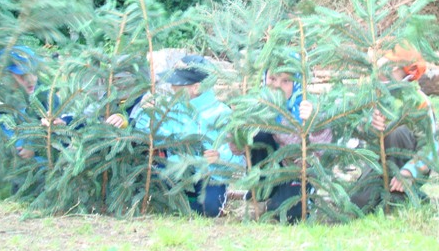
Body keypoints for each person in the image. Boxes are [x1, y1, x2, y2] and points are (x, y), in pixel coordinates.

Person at [133, 54, 243, 217]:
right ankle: (179, 203)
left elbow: (237, 157)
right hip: (175, 171)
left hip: (210, 176)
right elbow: (147, 133)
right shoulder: (171, 109)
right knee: (157, 187)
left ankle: (194, 204)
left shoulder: (221, 114)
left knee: (210, 208)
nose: (172, 87)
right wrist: (146, 112)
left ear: (196, 88)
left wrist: (220, 157)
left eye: (177, 84)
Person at [233, 63, 332, 222]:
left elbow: (321, 150)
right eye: (272, 79)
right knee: (259, 132)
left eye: (286, 81)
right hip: (267, 173)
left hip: (296, 172)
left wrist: (313, 121)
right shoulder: (256, 106)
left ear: (296, 83)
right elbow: (237, 149)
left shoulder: (307, 107)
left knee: (289, 214)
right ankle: (258, 196)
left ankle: (295, 198)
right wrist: (236, 128)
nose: (277, 86)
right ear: (265, 79)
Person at [349, 44, 439, 212]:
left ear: (396, 67)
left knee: (396, 132)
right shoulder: (372, 95)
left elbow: (429, 149)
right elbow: (356, 129)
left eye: (379, 61)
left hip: (409, 165)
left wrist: (410, 171)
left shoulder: (418, 101)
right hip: (379, 163)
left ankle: (408, 194)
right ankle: (384, 193)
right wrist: (369, 124)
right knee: (358, 203)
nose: (374, 67)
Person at [0, 45, 59, 162]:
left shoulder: (45, 97)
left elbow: (62, 133)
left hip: (41, 166)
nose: (30, 80)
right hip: (5, 167)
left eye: (33, 72)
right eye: (22, 75)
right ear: (5, 75)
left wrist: (36, 148)